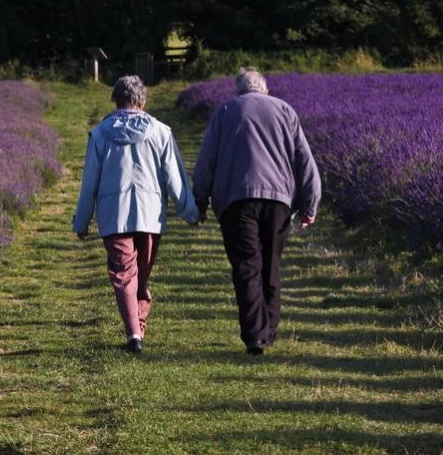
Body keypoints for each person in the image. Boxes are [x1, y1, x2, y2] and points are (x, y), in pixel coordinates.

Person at [192, 67, 321, 355]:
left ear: (238, 90)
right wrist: (309, 204)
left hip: (236, 201)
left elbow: (207, 160)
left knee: (247, 266)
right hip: (278, 201)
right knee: (271, 263)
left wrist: (200, 201)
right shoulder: (285, 110)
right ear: (265, 89)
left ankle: (255, 336)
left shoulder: (226, 111)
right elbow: (304, 159)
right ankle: (270, 328)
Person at [73, 75, 199, 354]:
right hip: (150, 215)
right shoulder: (160, 132)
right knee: (139, 275)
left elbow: (89, 181)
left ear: (116, 101)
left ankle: (135, 331)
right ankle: (136, 331)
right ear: (142, 101)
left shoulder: (100, 133)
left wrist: (82, 221)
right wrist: (190, 212)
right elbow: (174, 177)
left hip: (112, 214)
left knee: (125, 275)